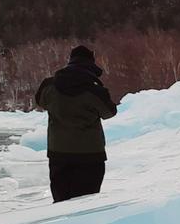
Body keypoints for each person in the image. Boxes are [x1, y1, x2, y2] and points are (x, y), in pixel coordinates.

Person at [35, 45, 118, 203]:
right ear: (90, 63)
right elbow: (109, 112)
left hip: (58, 154)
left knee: (61, 203)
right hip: (90, 156)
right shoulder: (94, 91)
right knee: (85, 205)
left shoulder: (49, 86)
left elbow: (40, 101)